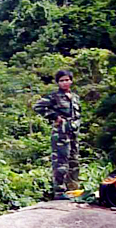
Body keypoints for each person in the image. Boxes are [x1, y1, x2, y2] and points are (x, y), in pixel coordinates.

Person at [34, 70, 81, 200]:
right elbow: (38, 107)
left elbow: (77, 115)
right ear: (58, 83)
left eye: (67, 80)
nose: (65, 83)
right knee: (60, 162)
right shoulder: (54, 97)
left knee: (74, 161)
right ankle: (59, 191)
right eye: (61, 80)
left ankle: (73, 189)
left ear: (71, 81)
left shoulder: (75, 97)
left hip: (73, 133)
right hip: (60, 133)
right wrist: (54, 117)